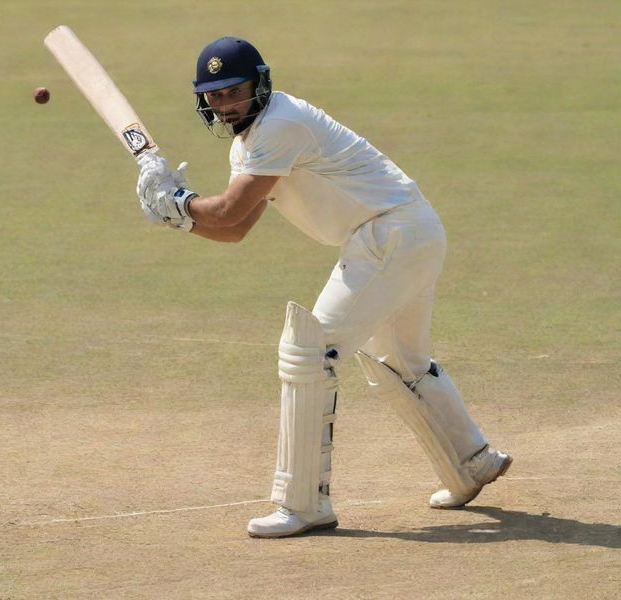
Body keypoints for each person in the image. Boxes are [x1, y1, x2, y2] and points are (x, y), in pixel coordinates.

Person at [135, 36, 513, 539]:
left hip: (389, 235)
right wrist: (176, 217)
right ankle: (471, 463)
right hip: (409, 234)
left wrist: (179, 201)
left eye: (234, 91)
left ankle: (303, 503)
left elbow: (225, 211)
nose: (225, 105)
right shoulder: (249, 142)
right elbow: (236, 228)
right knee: (401, 361)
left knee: (309, 351)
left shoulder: (281, 125)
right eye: (215, 96)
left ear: (260, 85)